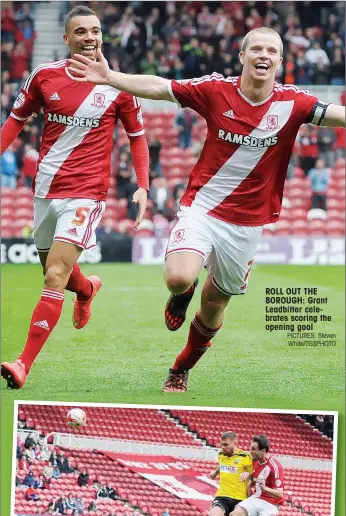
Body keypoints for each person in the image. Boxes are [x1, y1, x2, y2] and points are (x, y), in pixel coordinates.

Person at [69, 26, 345, 394]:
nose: (264, 55)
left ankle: (181, 366)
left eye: (271, 51)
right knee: (179, 278)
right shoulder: (216, 90)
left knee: (214, 306)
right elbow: (161, 88)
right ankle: (183, 294)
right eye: (257, 49)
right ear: (243, 56)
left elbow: (339, 114)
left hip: (248, 223)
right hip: (202, 207)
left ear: (280, 61)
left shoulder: (294, 103)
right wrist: (109, 76)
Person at [1, 4, 149, 389]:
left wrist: (143, 184)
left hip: (86, 195)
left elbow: (137, 138)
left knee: (53, 275)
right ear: (66, 38)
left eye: (95, 31)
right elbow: (16, 121)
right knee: (57, 271)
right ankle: (86, 289)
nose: (89, 37)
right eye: (81, 31)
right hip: (46, 189)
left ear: (102, 36)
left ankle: (22, 365)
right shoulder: (44, 77)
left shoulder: (117, 84)